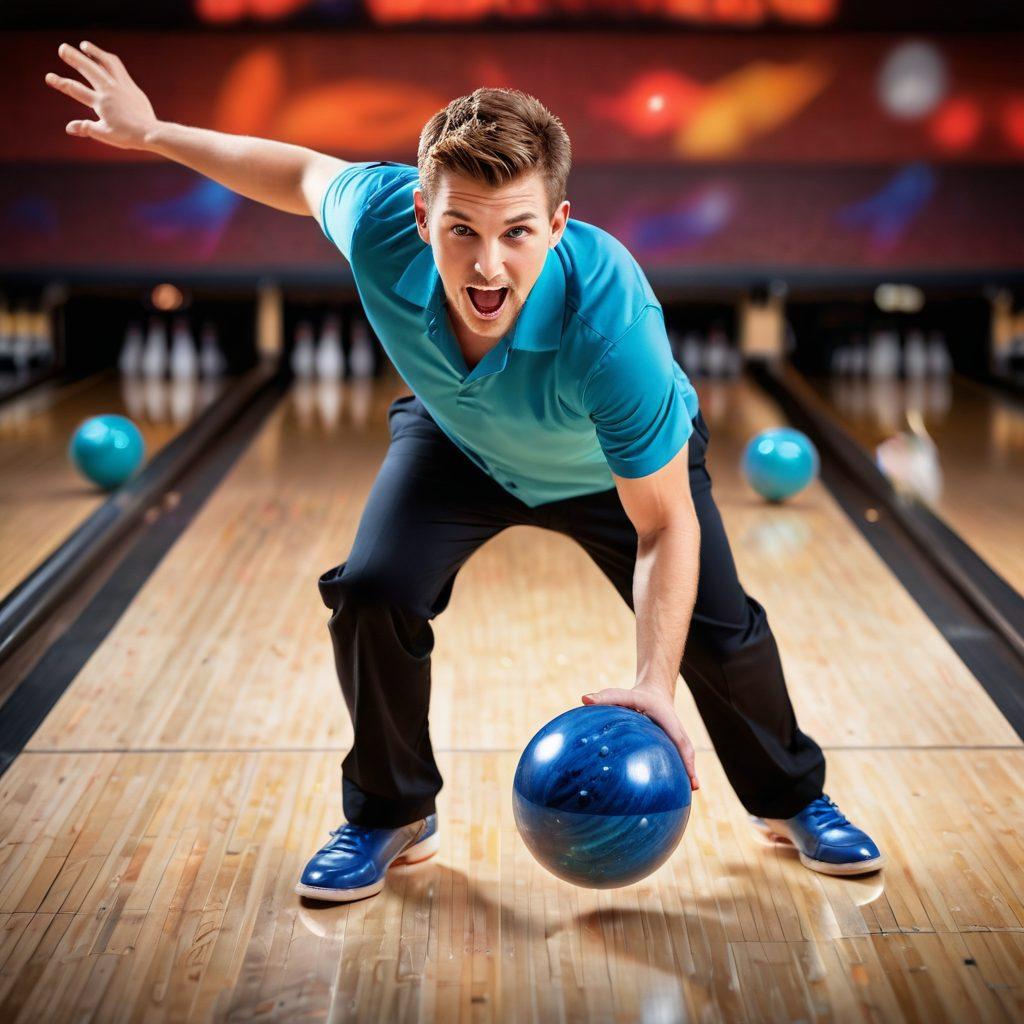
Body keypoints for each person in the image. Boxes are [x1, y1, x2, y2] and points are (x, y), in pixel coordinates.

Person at [46, 41, 884, 903]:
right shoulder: (378, 221)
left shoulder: (612, 325)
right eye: (462, 231)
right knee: (371, 592)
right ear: (419, 217)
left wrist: (650, 687)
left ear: (558, 226)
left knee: (721, 632)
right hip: (460, 440)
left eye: (517, 232)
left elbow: (666, 526)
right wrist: (153, 133)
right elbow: (297, 174)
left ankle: (794, 801)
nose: (488, 265)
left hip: (606, 465)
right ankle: (389, 813)